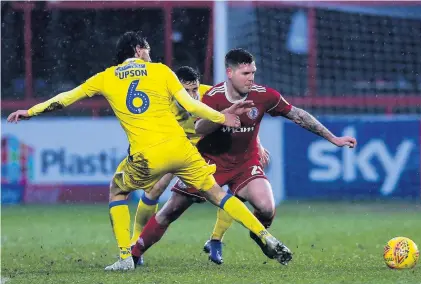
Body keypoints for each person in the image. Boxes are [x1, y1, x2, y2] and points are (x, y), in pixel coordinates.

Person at [6, 33, 291, 271]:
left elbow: (66, 98)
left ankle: (124, 256)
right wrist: (222, 117)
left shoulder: (105, 78)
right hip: (182, 148)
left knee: (117, 190)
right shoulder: (161, 71)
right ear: (139, 50)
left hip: (148, 155)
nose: (151, 54)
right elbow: (192, 105)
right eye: (148, 50)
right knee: (218, 194)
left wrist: (30, 111)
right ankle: (264, 235)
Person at [131, 48, 356, 266]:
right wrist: (224, 116)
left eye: (253, 73)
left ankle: (258, 236)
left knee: (267, 208)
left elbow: (297, 114)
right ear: (230, 73)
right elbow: (199, 128)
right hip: (209, 163)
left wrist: (333, 138)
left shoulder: (264, 95)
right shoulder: (213, 96)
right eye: (245, 73)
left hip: (244, 164)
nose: (251, 78)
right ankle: (134, 252)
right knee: (170, 210)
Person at [129, 66, 271, 256]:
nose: (192, 95)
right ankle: (135, 241)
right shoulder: (160, 103)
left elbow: (239, 115)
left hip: (207, 150)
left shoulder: (210, 94)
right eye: (186, 90)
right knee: (156, 189)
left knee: (231, 186)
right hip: (176, 147)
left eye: (194, 89)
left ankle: (216, 239)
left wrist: (258, 144)